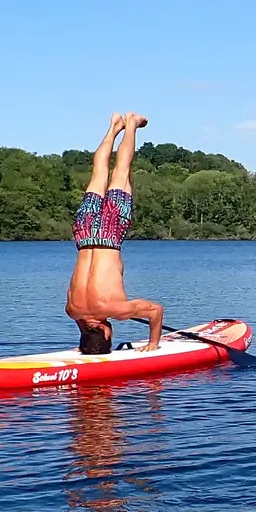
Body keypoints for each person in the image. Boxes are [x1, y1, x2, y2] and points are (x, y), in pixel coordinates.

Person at [65, 112, 164, 354]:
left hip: (109, 234)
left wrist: (153, 343)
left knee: (122, 170)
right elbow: (85, 323)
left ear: (107, 332)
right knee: (99, 172)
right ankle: (113, 127)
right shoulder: (72, 310)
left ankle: (131, 123)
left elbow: (156, 311)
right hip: (84, 234)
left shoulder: (117, 309)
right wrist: (88, 338)